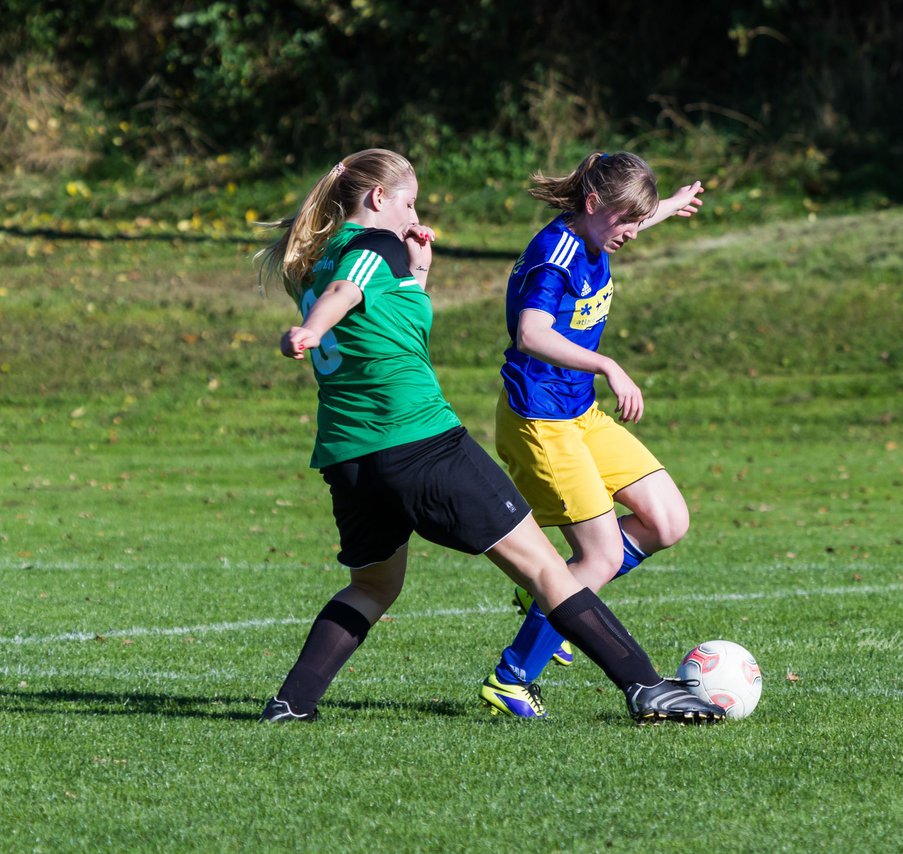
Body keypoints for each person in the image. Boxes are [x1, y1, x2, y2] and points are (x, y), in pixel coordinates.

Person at [255, 147, 724, 726]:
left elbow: (383, 319)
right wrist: (309, 328)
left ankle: (291, 704)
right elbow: (344, 298)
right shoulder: (369, 249)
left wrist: (419, 274)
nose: (413, 215)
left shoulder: (322, 257)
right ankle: (647, 686)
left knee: (374, 586)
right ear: (379, 200)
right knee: (551, 572)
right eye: (409, 202)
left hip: (350, 457)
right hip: (421, 446)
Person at [476, 151, 706, 719]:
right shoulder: (556, 255)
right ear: (593, 202)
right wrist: (607, 365)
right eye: (627, 219)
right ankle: (511, 678)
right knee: (599, 556)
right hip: (540, 419)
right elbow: (531, 333)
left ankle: (550, 593)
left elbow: (621, 222)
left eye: (638, 220)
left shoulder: (598, 232)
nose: (632, 231)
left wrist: (668, 207)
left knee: (667, 519)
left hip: (579, 414)